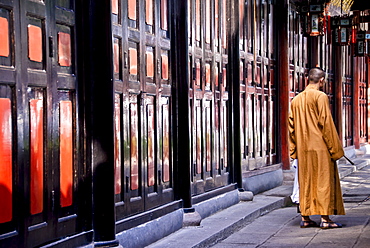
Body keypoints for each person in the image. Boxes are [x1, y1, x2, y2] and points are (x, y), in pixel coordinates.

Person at [288, 67, 345, 229]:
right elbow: (326, 123)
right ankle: (325, 219)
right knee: (323, 182)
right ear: (322, 81)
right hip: (320, 148)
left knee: (304, 182)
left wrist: (293, 150)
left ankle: (305, 218)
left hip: (303, 148)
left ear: (308, 79)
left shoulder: (296, 100)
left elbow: (291, 127)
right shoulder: (321, 96)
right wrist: (335, 149)